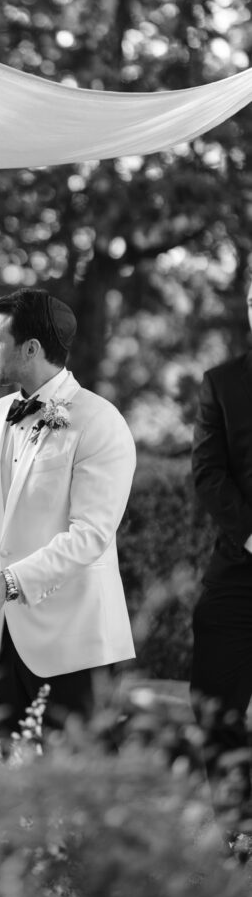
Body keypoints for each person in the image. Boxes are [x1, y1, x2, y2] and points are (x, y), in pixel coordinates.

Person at [0, 288, 136, 748]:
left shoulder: (101, 422)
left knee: (81, 789)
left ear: (31, 349)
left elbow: (90, 535)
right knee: (17, 787)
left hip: (77, 644)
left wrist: (10, 581)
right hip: (6, 642)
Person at [191, 274, 252, 861]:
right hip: (241, 564)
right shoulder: (222, 383)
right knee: (213, 700)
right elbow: (207, 472)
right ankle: (240, 837)